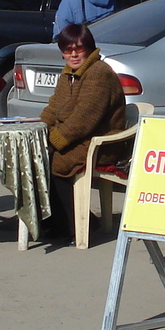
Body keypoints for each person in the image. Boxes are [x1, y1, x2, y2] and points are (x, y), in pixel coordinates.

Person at [37, 23, 127, 238]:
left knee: (56, 162)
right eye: (68, 49)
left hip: (102, 142)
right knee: (35, 156)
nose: (74, 54)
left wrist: (54, 140)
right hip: (80, 139)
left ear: (89, 48)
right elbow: (54, 107)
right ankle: (57, 219)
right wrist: (39, 129)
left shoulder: (98, 73)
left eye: (79, 48)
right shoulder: (68, 74)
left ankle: (75, 225)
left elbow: (84, 119)